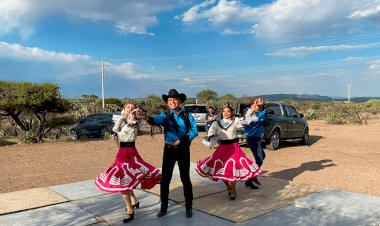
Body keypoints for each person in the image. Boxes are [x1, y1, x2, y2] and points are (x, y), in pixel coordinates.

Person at [95, 103, 161, 223]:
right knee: (125, 178)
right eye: (128, 107)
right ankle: (134, 201)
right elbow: (116, 135)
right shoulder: (120, 120)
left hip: (131, 152)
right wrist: (119, 146)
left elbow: (133, 124)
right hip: (122, 152)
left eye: (132, 107)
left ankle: (130, 211)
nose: (130, 109)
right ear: (124, 110)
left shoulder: (135, 121)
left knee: (124, 180)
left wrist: (136, 116)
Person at [142, 89, 198, 218]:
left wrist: (182, 140)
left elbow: (194, 131)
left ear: (179, 101)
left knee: (185, 178)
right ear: (167, 102)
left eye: (174, 99)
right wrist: (145, 117)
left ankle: (189, 206)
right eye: (170, 100)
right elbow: (155, 119)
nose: (172, 101)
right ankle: (163, 207)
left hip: (183, 149)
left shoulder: (187, 115)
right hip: (168, 151)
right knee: (165, 179)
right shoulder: (165, 115)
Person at [195, 105, 262, 200]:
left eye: (228, 111)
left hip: (234, 148)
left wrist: (251, 110)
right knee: (220, 168)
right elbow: (210, 134)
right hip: (222, 148)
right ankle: (228, 186)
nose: (226, 113)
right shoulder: (216, 124)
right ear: (221, 113)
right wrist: (213, 138)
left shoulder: (235, 122)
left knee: (232, 168)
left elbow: (246, 121)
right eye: (224, 111)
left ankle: (233, 189)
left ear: (231, 113)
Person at [244, 97, 267, 189]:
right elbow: (248, 119)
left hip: (257, 139)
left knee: (262, 156)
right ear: (251, 106)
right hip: (252, 138)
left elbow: (262, 117)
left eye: (258, 105)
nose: (258, 107)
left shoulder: (258, 113)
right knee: (260, 159)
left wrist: (262, 106)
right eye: (256, 105)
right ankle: (250, 178)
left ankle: (253, 176)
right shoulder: (249, 114)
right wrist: (252, 111)